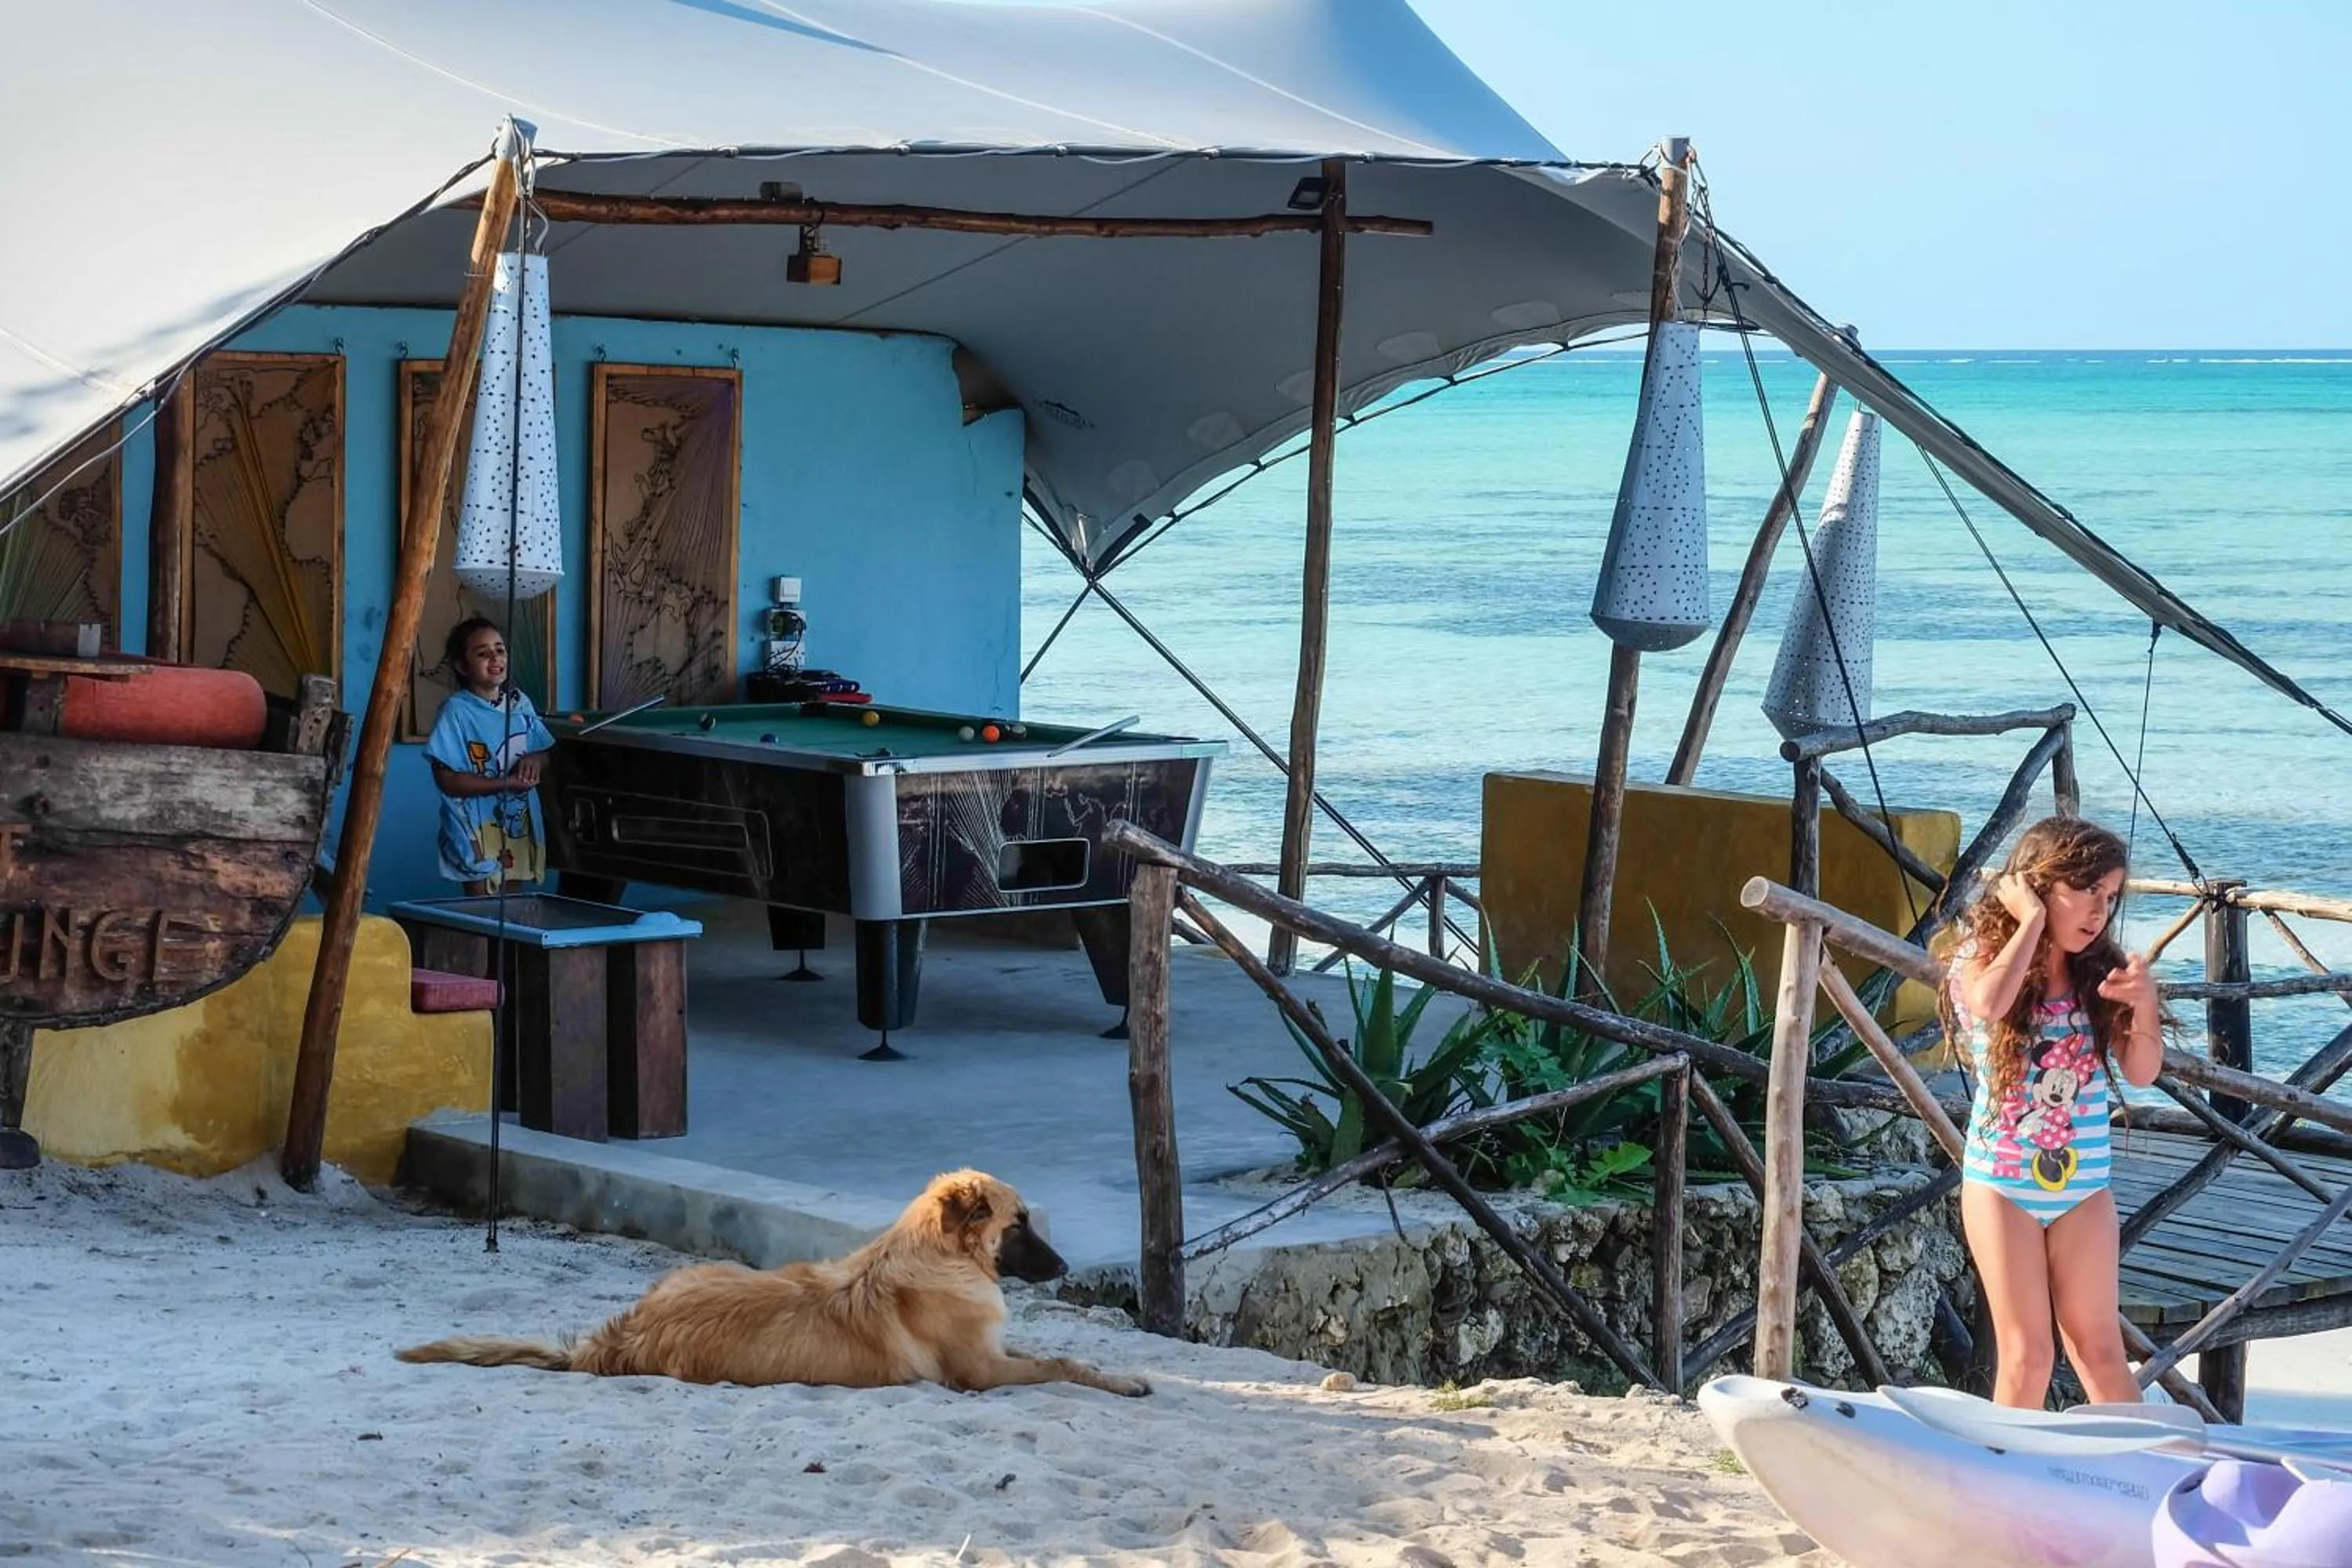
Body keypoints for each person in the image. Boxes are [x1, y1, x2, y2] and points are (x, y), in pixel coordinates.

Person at [1940, 815, 2165, 1408]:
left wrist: (2144, 1007)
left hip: (2084, 1189)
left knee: (2098, 1346)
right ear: (2040, 884)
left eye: (2110, 897)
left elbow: (2142, 1072)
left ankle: (2146, 1476)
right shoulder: (1983, 951)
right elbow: (1988, 1004)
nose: (2098, 912)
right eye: (2086, 892)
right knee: (2028, 1353)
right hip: (2002, 1183)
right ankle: (2004, 1487)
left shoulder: (2101, 971)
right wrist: (2031, 924)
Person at [426, 616, 555, 896]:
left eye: (500, 649)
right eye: (483, 653)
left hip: (518, 824)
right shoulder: (456, 711)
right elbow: (447, 780)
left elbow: (544, 752)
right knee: (482, 912)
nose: (495, 658)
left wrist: (535, 759)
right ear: (462, 666)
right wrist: (505, 784)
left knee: (513, 910)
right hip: (474, 827)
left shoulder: (520, 704)